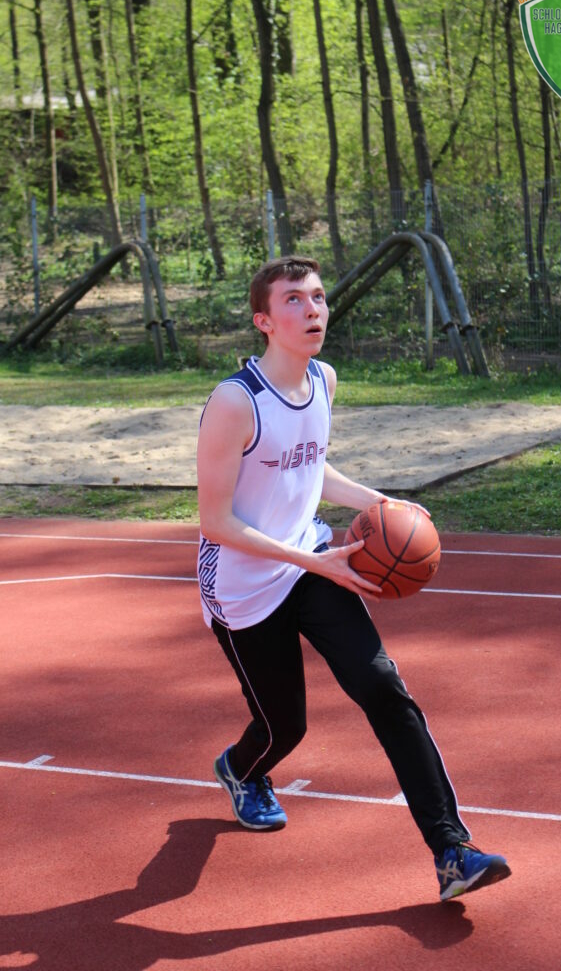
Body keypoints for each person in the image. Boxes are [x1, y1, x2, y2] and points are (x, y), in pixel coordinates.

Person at [196, 255, 510, 901]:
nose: (311, 309)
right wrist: (313, 561)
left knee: (384, 690)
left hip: (312, 563)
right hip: (243, 583)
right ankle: (241, 769)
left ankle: (452, 851)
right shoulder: (235, 401)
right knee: (284, 728)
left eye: (317, 297)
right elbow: (215, 522)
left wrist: (381, 502)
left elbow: (311, 468)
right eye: (293, 299)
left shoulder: (323, 380)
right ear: (263, 321)